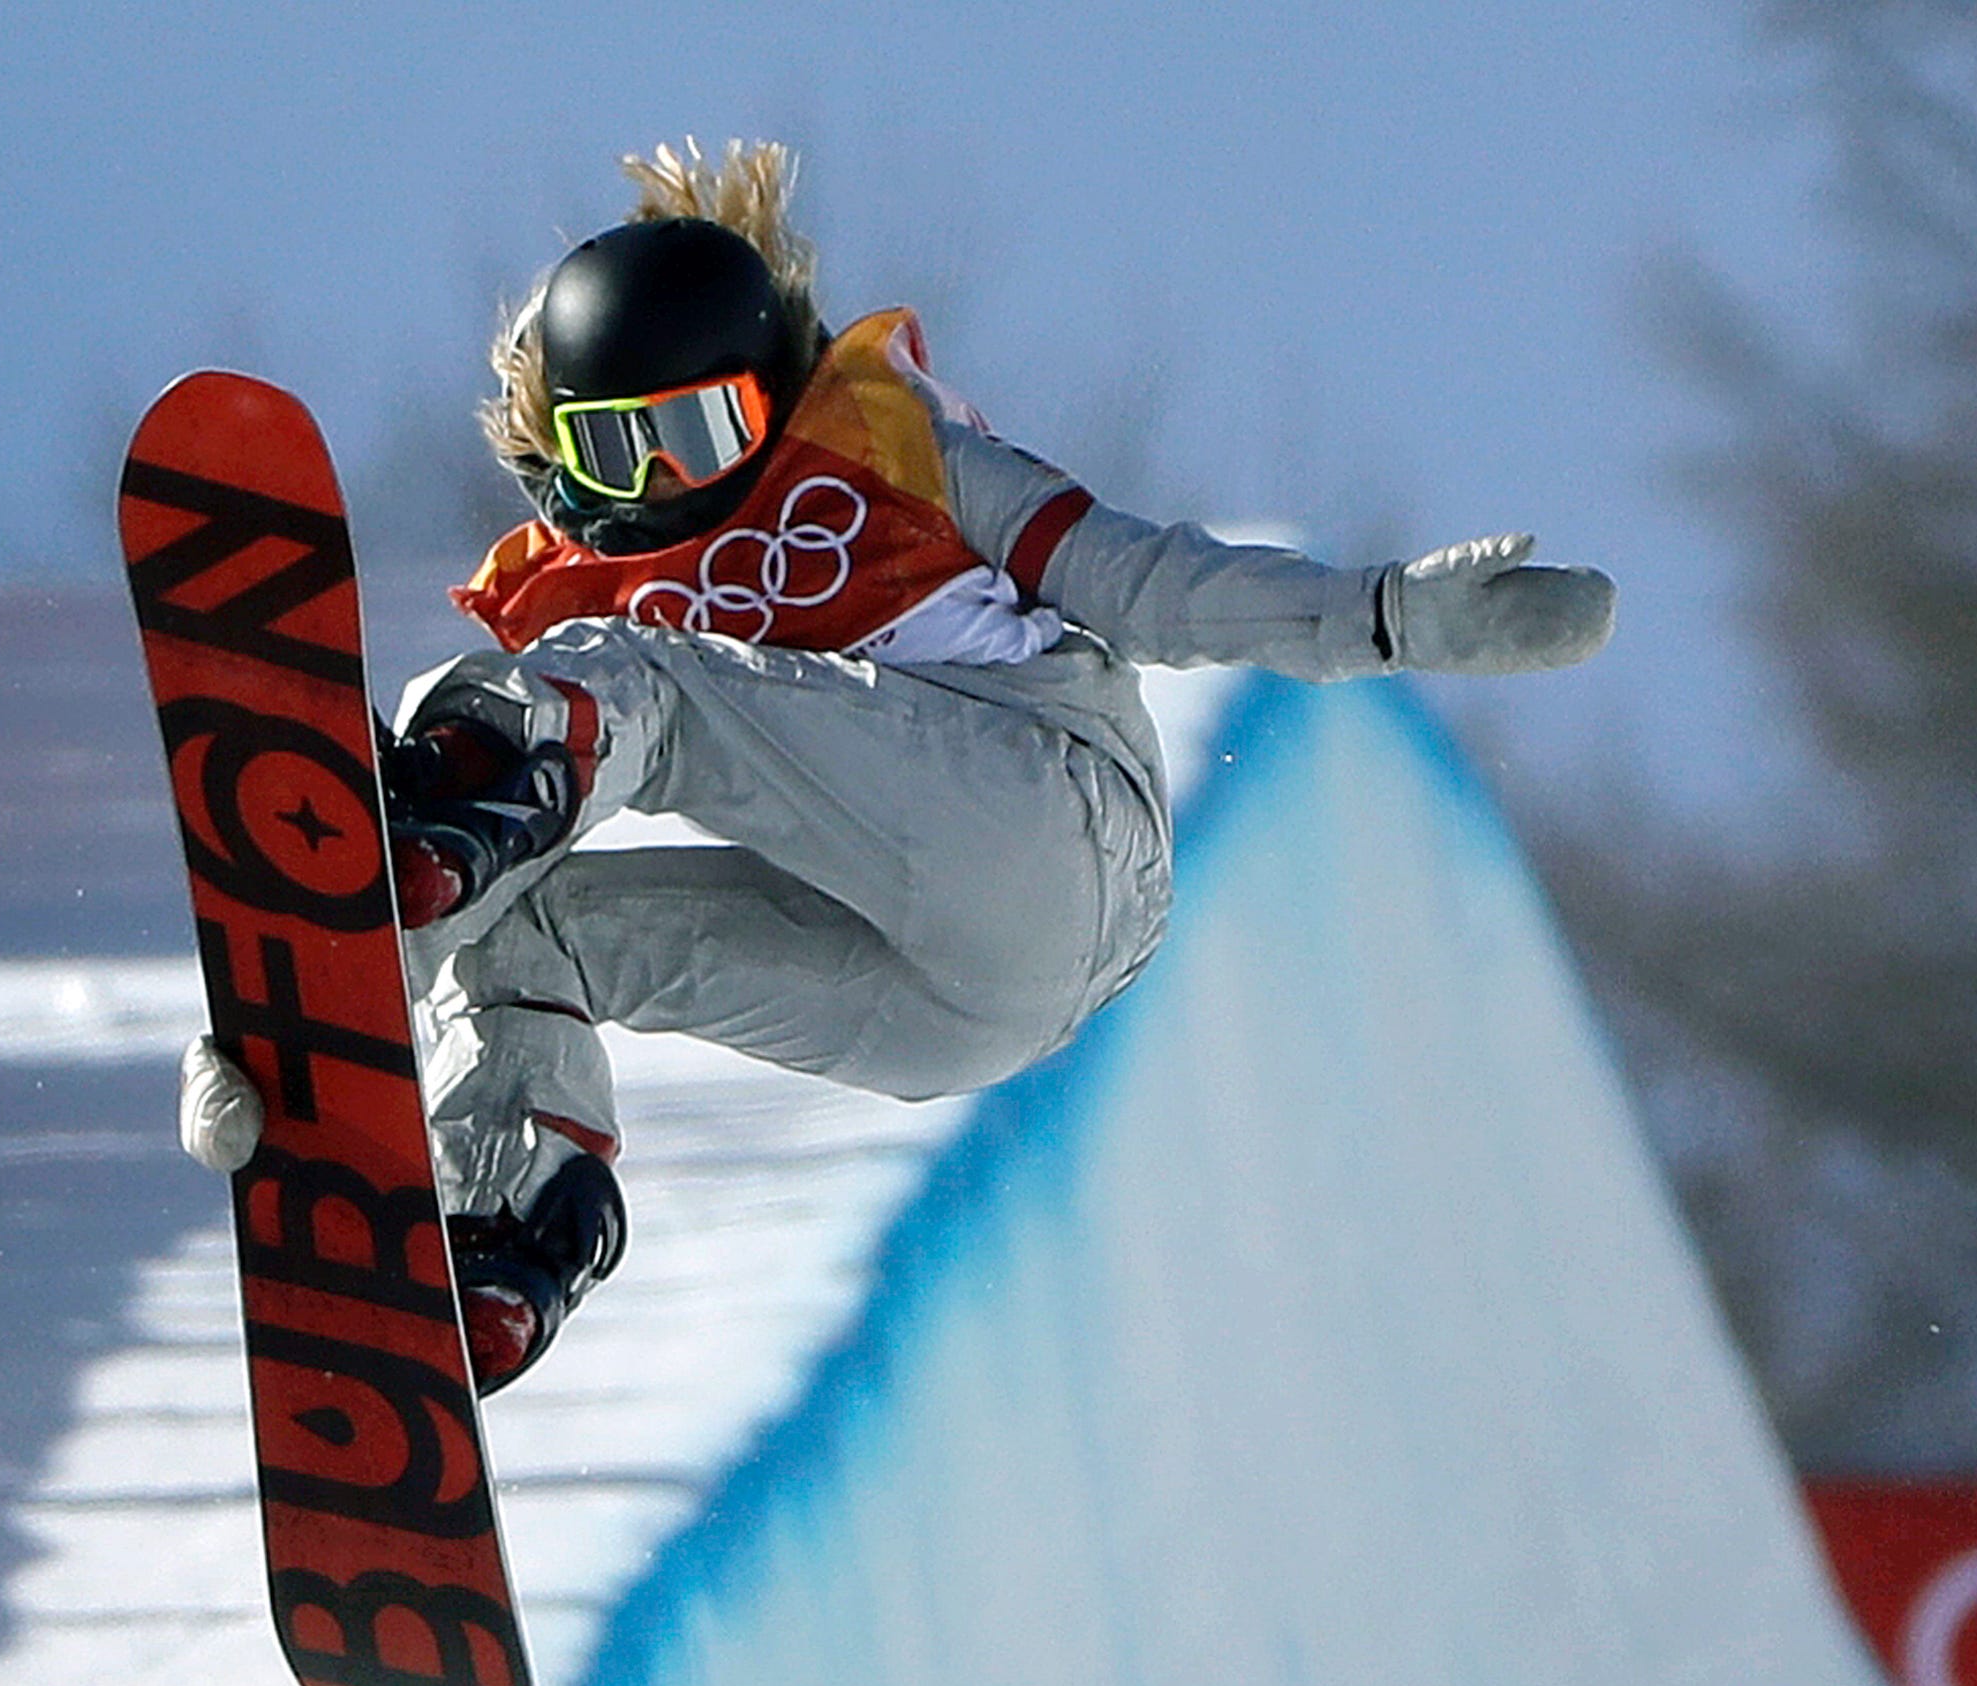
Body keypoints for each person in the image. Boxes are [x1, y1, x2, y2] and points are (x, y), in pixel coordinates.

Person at [177, 138, 1617, 1394]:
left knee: (623, 695)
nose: (674, 480)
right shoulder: (566, 595)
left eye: (704, 431)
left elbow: (1146, 584)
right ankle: (503, 1235)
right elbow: (435, 904)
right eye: (627, 449)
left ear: (767, 396)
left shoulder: (881, 445)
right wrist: (294, 1047)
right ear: (561, 449)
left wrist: (1382, 616)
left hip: (1045, 820)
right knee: (517, 928)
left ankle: (446, 792)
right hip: (949, 1013)